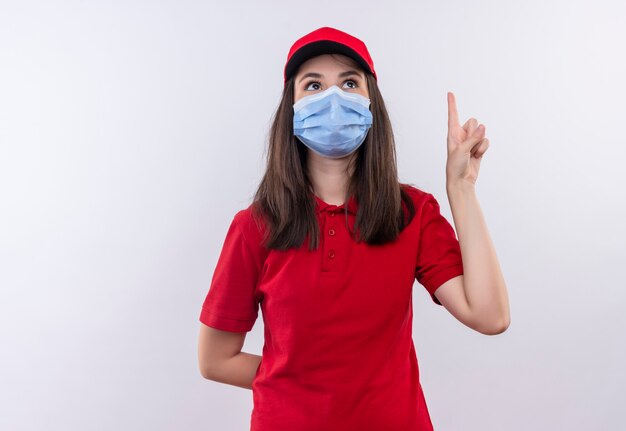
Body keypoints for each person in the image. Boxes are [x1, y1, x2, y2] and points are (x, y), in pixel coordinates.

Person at [197, 26, 510, 431]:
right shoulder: (254, 227)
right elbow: (215, 360)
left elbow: (490, 316)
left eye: (349, 82)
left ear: (370, 104)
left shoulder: (411, 213)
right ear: (291, 108)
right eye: (313, 85)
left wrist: (461, 189)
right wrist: (305, 385)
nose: (332, 98)